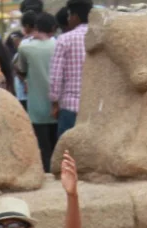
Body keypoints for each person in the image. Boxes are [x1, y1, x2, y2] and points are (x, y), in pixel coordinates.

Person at [17, 12, 58, 170]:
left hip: (36, 106)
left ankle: (47, 172)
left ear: (36, 27)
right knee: (57, 144)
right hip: (58, 105)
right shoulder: (57, 44)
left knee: (43, 147)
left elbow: (21, 69)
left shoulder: (25, 47)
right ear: (53, 28)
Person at [50, 0, 91, 139]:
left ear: (76, 16)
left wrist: (55, 103)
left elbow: (55, 76)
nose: (68, 19)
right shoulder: (100, 39)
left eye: (69, 15)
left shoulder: (64, 40)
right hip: (95, 108)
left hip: (70, 107)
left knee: (67, 149)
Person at [12, 11, 37, 109]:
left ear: (26, 26)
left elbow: (18, 67)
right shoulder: (46, 40)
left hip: (24, 90)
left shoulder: (25, 43)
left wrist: (25, 81)